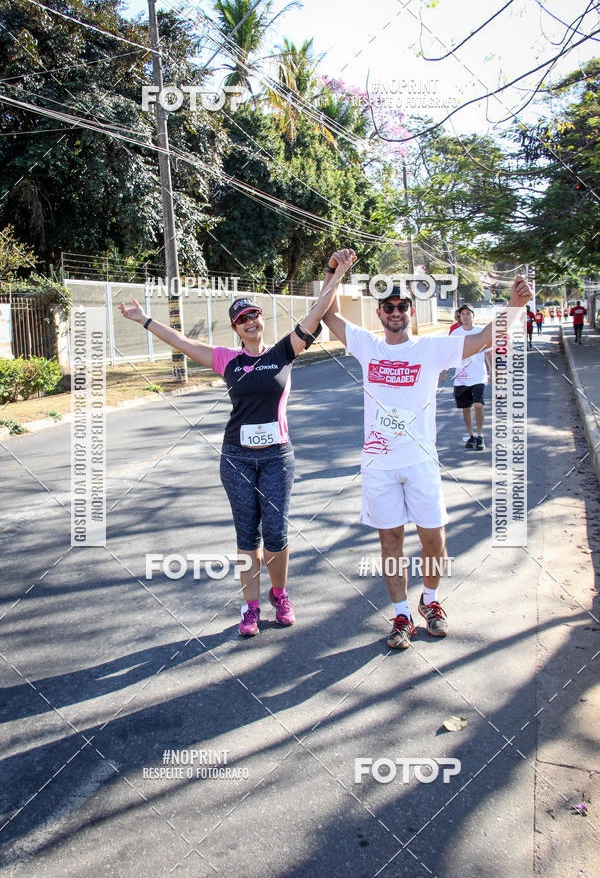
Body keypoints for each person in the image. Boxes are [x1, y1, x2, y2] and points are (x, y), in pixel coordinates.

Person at [119, 249, 356, 637]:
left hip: (277, 457)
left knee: (276, 534)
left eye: (254, 315)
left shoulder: (284, 351)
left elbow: (318, 311)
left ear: (262, 319)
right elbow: (180, 341)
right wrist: (143, 319)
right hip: (237, 459)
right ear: (236, 328)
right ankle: (250, 607)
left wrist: (337, 272)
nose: (250, 322)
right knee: (247, 536)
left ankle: (279, 594)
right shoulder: (226, 360)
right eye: (242, 319)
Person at [323, 269, 531, 650]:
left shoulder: (431, 349)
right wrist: (333, 274)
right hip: (379, 465)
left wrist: (516, 304)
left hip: (421, 462)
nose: (395, 313)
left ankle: (430, 601)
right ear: (379, 312)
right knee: (391, 542)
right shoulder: (367, 345)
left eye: (402, 307)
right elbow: (329, 314)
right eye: (389, 307)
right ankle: (401, 614)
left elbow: (485, 336)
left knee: (434, 538)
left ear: (412, 312)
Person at [440, 304, 492, 451]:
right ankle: (471, 436)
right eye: (463, 314)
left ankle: (480, 435)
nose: (465, 316)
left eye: (468, 313)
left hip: (478, 376)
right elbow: (448, 353)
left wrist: (492, 372)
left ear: (473, 316)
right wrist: (443, 371)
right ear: (460, 316)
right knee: (466, 408)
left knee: (478, 405)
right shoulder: (455, 333)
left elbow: (488, 352)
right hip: (461, 377)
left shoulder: (481, 332)